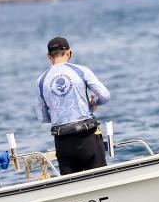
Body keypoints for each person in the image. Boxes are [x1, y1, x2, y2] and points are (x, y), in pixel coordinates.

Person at [34, 36, 110, 175]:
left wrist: (58, 113)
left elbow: (42, 117)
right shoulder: (81, 71)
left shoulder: (41, 81)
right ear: (69, 52)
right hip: (87, 136)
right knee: (100, 179)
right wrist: (93, 103)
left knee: (71, 183)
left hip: (63, 142)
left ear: (48, 56)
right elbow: (105, 95)